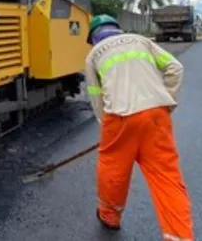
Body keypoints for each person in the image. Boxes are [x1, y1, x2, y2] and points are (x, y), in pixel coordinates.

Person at [83, 14, 194, 240]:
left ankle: (110, 215)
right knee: (167, 177)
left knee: (113, 169)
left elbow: (95, 95)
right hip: (156, 114)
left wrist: (107, 126)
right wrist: (166, 101)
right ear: (117, 29)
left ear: (94, 37)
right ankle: (180, 235)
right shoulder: (142, 40)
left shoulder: (94, 54)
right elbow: (175, 68)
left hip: (119, 117)